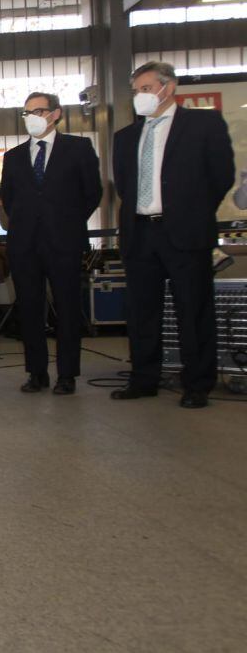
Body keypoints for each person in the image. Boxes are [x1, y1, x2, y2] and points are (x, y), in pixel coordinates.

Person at [111, 61, 235, 408]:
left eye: (146, 89)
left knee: (193, 310)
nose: (140, 96)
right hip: (140, 233)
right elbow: (124, 184)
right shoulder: (126, 136)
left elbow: (221, 175)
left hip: (185, 233)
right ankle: (144, 379)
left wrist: (191, 211)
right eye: (136, 91)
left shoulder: (202, 125)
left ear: (170, 87)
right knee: (142, 312)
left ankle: (197, 384)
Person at [0, 92, 101, 395]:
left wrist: (66, 222)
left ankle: (67, 374)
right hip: (25, 244)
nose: (32, 116)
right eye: (27, 112)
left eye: (39, 111)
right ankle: (37, 372)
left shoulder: (78, 148)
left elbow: (92, 193)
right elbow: (10, 199)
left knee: (68, 309)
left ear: (55, 114)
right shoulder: (14, 156)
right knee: (30, 309)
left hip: (64, 241)